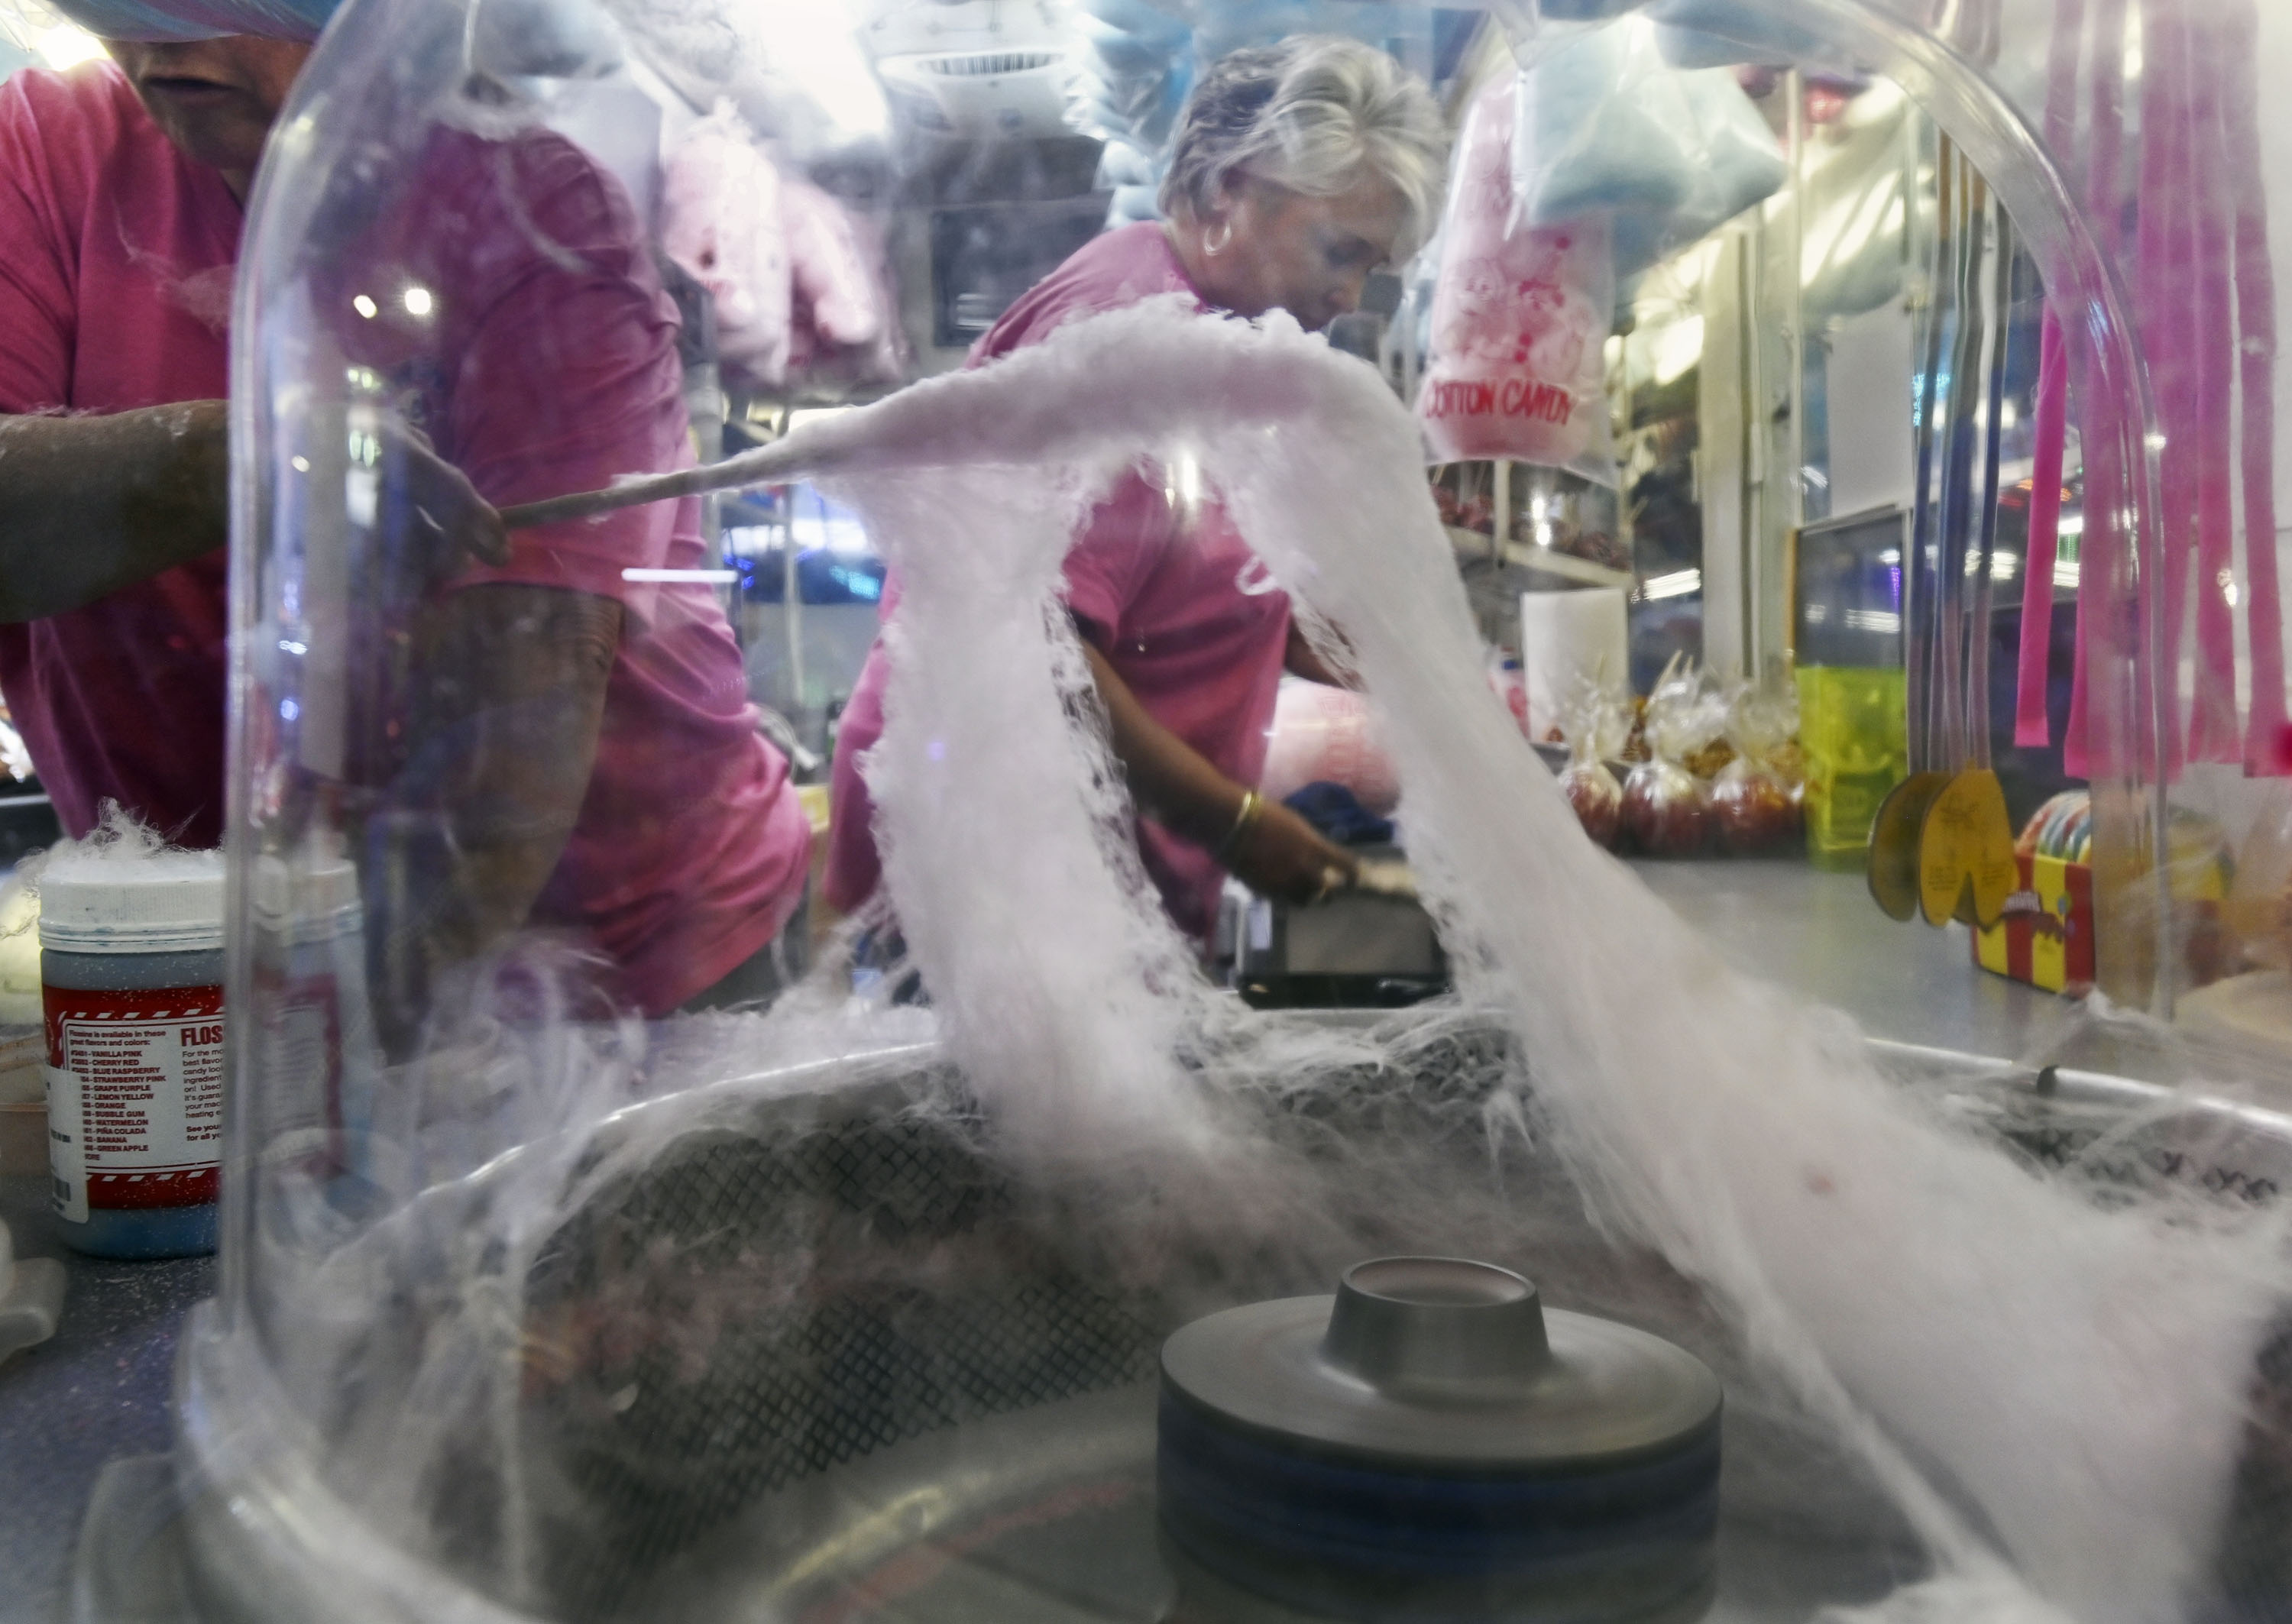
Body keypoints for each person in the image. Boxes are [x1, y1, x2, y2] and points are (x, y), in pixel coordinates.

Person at [0, 35, 814, 1023]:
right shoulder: (50, 151)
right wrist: (252, 459)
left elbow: (498, 782)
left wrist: (295, 1074)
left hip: (622, 959)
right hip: (216, 954)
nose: (172, 30)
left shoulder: (534, 220)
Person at [824, 36, 1446, 945]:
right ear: (1221, 191)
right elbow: (1036, 650)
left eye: (1369, 267)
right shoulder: (1127, 339)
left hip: (1085, 900)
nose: (1347, 292)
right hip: (979, 897)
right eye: (1336, 249)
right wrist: (1232, 822)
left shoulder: (1215, 360)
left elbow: (1196, 596)